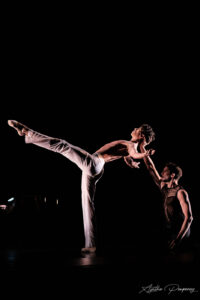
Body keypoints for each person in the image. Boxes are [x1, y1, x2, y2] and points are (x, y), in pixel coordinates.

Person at [8, 120, 155, 253]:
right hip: (97, 168)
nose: (134, 128)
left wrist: (143, 155)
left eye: (137, 128)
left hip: (94, 162)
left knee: (63, 145)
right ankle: (91, 245)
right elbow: (129, 157)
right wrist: (133, 162)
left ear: (141, 134)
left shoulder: (131, 145)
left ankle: (27, 132)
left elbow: (134, 154)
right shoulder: (130, 146)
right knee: (88, 204)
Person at [139, 141, 193, 251]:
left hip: (181, 233)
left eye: (165, 171)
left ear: (172, 175)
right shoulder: (164, 187)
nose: (162, 173)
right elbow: (150, 167)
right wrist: (142, 148)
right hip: (169, 230)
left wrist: (178, 239)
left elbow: (189, 218)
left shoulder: (181, 192)